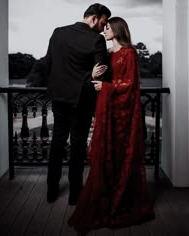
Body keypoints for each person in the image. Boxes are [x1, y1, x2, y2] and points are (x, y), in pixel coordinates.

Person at [68, 17, 155, 234]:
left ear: (116, 30)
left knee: (120, 153)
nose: (104, 31)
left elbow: (130, 84)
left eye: (107, 28)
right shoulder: (109, 54)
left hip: (123, 114)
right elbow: (99, 76)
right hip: (108, 111)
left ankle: (122, 195)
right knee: (106, 154)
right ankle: (108, 192)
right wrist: (95, 75)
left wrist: (105, 87)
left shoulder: (129, 53)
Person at [43, 3, 111, 205]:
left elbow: (48, 64)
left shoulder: (58, 33)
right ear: (94, 18)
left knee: (57, 143)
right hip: (82, 100)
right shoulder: (97, 40)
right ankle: (75, 193)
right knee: (78, 145)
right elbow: (103, 73)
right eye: (103, 22)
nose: (102, 27)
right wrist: (87, 75)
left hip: (59, 98)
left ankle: (51, 189)